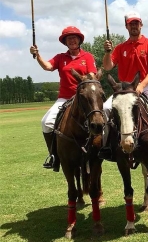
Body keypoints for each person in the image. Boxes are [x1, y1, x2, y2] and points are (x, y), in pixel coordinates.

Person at [100, 11, 148, 159]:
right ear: (126, 26)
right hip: (124, 89)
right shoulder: (120, 48)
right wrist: (107, 52)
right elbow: (107, 66)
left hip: (146, 85)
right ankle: (106, 146)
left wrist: (142, 85)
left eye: (136, 23)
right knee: (105, 108)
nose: (134, 26)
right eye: (131, 24)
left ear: (141, 24)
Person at [29, 26, 97, 170]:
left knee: (100, 120)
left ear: (79, 40)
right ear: (65, 42)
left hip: (84, 99)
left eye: (74, 38)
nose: (72, 40)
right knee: (46, 122)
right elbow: (47, 66)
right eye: (69, 38)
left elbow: (92, 75)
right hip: (65, 98)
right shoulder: (60, 57)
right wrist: (37, 55)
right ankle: (54, 156)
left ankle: (103, 149)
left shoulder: (88, 57)